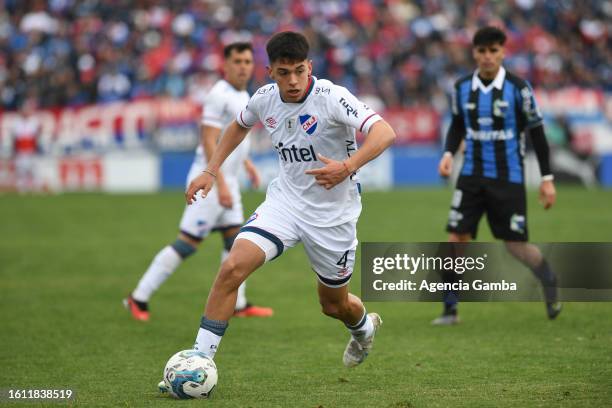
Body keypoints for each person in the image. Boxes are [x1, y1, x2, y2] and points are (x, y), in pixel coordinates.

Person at [182, 31, 396, 371]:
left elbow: (385, 132)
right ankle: (198, 362)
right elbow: (238, 125)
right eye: (284, 73)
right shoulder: (264, 98)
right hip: (284, 205)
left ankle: (363, 329)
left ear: (310, 66)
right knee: (232, 268)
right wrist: (211, 170)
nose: (293, 80)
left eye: (299, 70)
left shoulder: (332, 97)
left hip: (333, 217)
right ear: (270, 72)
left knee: (334, 305)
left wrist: (348, 166)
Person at [124, 42, 273, 321]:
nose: (243, 66)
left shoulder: (244, 95)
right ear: (225, 65)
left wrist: (247, 164)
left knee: (235, 241)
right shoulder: (219, 94)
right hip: (210, 181)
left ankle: (238, 305)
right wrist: (222, 184)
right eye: (237, 61)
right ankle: (137, 298)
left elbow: (235, 138)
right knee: (187, 244)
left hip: (226, 179)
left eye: (247, 61)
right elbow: (208, 139)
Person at [433, 26, 562, 325]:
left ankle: (549, 278)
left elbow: (538, 134)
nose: (488, 57)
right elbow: (456, 125)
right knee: (456, 238)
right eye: (482, 51)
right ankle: (450, 309)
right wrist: (449, 154)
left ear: (503, 52)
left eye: (493, 51)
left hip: (508, 179)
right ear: (474, 53)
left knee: (515, 245)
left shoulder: (519, 89)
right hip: (471, 177)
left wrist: (547, 178)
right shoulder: (462, 87)